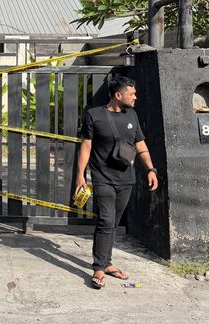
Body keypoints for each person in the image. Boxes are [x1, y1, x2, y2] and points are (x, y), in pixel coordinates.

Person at [75, 75, 159, 289]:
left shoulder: (132, 115)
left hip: (126, 179)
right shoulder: (94, 115)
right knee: (106, 220)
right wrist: (80, 175)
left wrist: (151, 169)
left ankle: (107, 262)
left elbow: (141, 144)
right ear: (118, 95)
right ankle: (99, 268)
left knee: (112, 223)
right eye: (132, 94)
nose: (135, 97)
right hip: (102, 178)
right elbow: (86, 146)